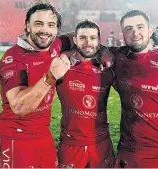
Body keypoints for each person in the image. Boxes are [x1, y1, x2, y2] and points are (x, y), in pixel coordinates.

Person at [0, 3, 73, 168]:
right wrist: (50, 77)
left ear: (56, 29)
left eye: (51, 25)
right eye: (38, 24)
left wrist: (101, 49)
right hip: (16, 137)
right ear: (27, 26)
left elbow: (77, 36)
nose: (45, 30)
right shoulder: (13, 58)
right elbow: (19, 108)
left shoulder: (55, 45)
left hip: (43, 134)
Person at [106, 10, 158, 168]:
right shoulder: (119, 57)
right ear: (123, 34)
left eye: (140, 27)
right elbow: (85, 42)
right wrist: (102, 52)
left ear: (150, 30)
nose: (135, 33)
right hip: (129, 154)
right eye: (128, 28)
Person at [56, 20, 115, 168]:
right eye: (82, 38)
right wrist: (65, 54)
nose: (88, 42)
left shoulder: (109, 68)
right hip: (71, 144)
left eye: (93, 38)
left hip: (101, 145)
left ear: (99, 41)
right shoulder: (62, 66)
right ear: (75, 40)